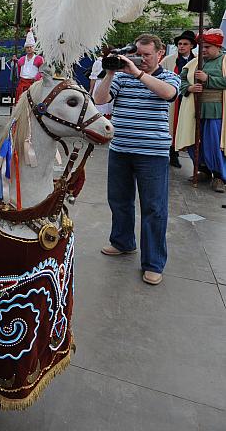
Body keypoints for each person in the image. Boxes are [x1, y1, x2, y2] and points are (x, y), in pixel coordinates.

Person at [93, 34, 180, 285]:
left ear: (159, 54)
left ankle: (153, 262)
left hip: (152, 153)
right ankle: (122, 242)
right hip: (120, 149)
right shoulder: (121, 77)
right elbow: (99, 100)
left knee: (154, 208)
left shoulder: (168, 76)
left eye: (146, 55)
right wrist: (110, 72)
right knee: (119, 200)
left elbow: (169, 94)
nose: (140, 60)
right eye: (137, 55)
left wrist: (139, 74)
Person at [176, 28, 226, 193]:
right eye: (202, 47)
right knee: (194, 142)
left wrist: (208, 79)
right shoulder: (194, 62)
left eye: (207, 47)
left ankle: (219, 176)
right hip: (194, 109)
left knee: (213, 144)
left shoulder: (224, 61)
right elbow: (181, 80)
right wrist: (189, 87)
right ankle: (203, 170)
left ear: (218, 46)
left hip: (216, 110)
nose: (203, 50)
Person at [161, 30, 197, 168]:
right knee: (171, 125)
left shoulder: (198, 59)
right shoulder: (169, 60)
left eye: (185, 44)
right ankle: (173, 153)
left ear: (191, 46)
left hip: (190, 98)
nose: (181, 46)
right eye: (180, 44)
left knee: (188, 124)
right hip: (173, 98)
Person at [12, 30, 44, 103]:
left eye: (31, 47)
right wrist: (15, 62)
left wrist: (37, 79)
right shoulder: (21, 59)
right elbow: (18, 70)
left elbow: (42, 71)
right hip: (22, 83)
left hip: (34, 84)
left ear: (34, 48)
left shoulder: (39, 59)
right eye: (27, 47)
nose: (29, 49)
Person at [89, 45, 114, 119]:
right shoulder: (99, 62)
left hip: (109, 83)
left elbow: (93, 78)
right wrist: (91, 90)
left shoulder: (113, 62)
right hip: (100, 84)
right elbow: (93, 77)